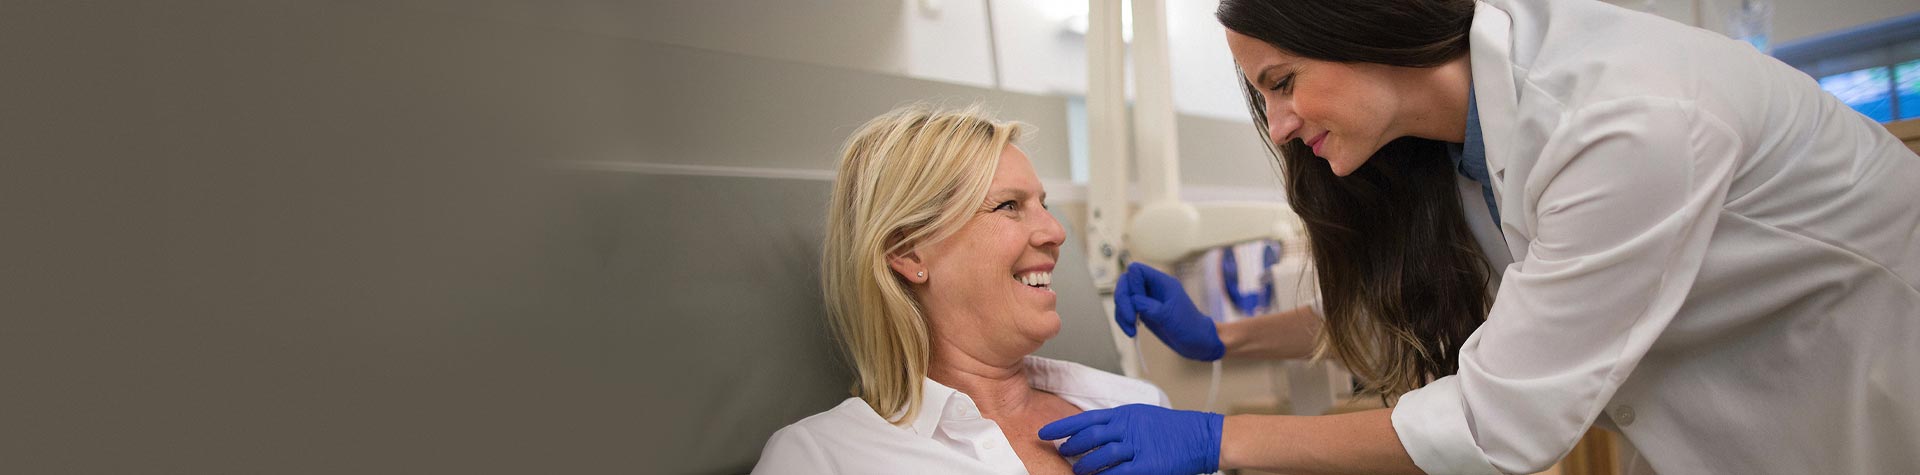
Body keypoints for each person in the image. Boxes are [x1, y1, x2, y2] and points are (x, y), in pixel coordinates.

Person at [1039, 0, 1920, 474]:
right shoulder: (1454, 145)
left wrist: (1214, 437)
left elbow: (1503, 422)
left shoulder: (1621, 117)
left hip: (1871, 370)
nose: (1277, 124)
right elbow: (1455, 290)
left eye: (1283, 81)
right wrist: (1222, 335)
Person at [751, 104, 1172, 475]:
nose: (1056, 231)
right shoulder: (821, 459)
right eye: (1008, 206)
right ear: (909, 252)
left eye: (1043, 204)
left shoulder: (1135, 406)